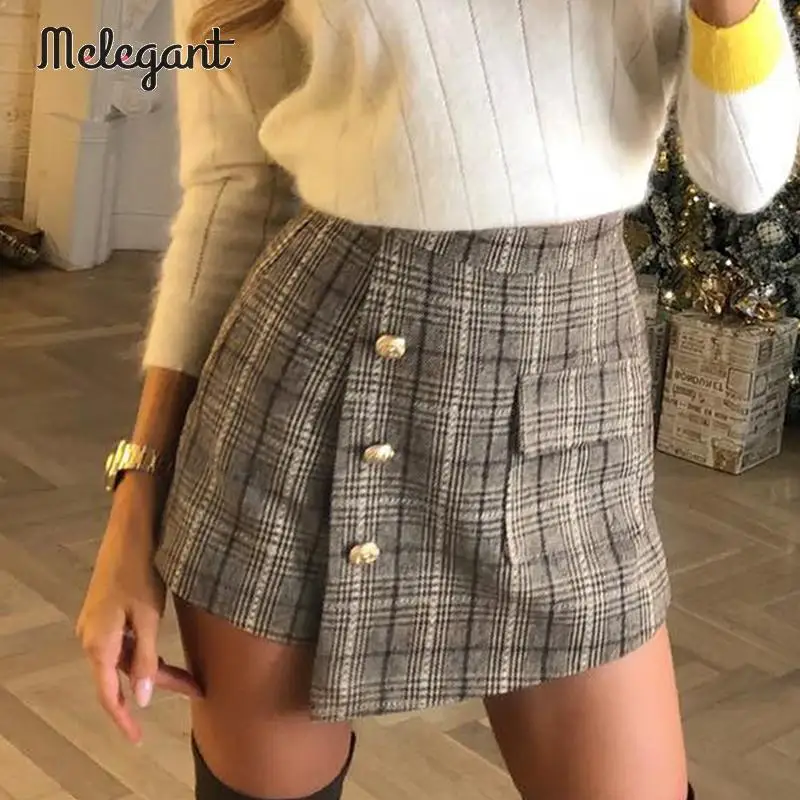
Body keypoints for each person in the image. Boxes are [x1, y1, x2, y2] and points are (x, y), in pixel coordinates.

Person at [76, 1, 800, 798]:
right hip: (308, 400)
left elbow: (745, 174)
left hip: (569, 408)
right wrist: (138, 493)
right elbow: (233, 189)